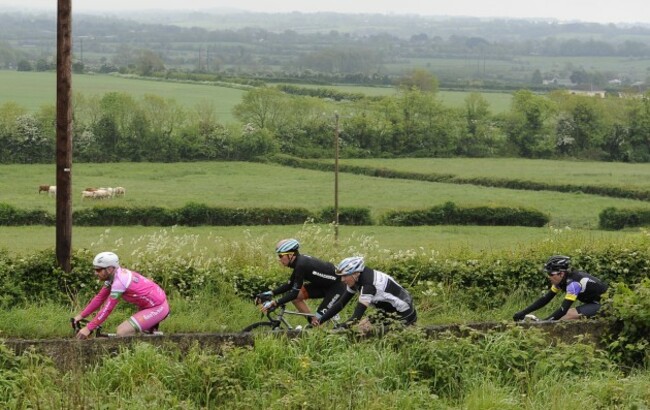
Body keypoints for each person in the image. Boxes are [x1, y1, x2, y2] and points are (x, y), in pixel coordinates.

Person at [73, 251, 170, 339]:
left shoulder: (119, 282)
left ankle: (136, 355)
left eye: (98, 270)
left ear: (110, 269)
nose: (95, 273)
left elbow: (107, 309)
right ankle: (147, 337)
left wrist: (88, 328)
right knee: (130, 332)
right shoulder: (113, 276)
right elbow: (99, 298)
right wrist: (81, 316)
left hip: (158, 307)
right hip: (148, 306)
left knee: (122, 331)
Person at [256, 238, 346, 326]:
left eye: (280, 256)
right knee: (297, 299)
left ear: (290, 255)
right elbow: (290, 285)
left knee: (318, 321)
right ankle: (312, 324)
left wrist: (276, 302)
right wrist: (271, 293)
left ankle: (317, 326)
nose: (279, 259)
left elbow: (294, 293)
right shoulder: (299, 262)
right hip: (324, 284)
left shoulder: (301, 265)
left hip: (337, 287)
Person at [313, 256, 417, 329]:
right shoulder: (358, 278)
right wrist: (319, 320)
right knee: (362, 329)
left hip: (404, 313)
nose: (342, 280)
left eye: (345, 276)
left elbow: (355, 318)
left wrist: (339, 327)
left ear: (355, 273)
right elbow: (340, 304)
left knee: (368, 333)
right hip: (388, 310)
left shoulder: (367, 286)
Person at [513, 255, 608, 321]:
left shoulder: (573, 284)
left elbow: (563, 309)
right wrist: (523, 312)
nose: (549, 276)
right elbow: (545, 299)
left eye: (551, 274)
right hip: (594, 303)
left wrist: (544, 322)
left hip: (607, 305)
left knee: (569, 315)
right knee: (566, 316)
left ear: (561, 273)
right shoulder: (561, 281)